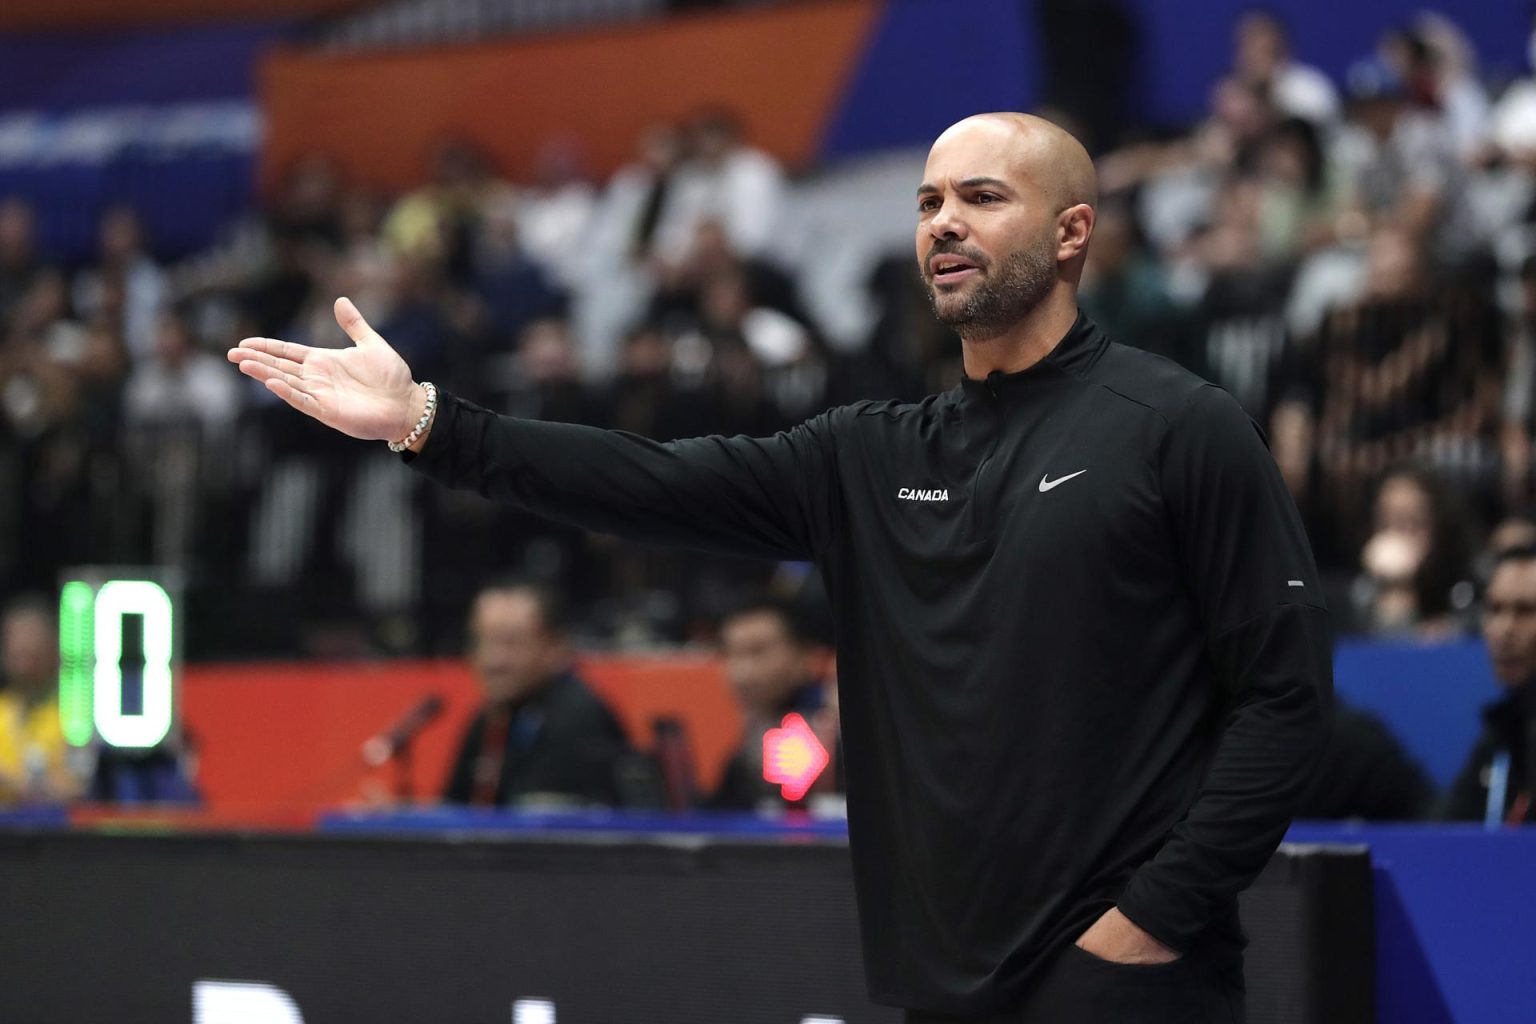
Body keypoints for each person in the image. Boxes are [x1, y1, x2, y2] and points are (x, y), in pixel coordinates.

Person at [230, 112, 1331, 1022]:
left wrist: (1152, 920)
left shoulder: (1178, 425)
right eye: (928, 202)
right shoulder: (871, 454)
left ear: (1073, 230)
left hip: (1125, 982)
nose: (945, 223)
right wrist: (428, 420)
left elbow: (1283, 699)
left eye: (983, 199)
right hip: (940, 983)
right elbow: (644, 479)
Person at [440, 580, 631, 808]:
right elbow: (453, 810)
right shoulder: (491, 718)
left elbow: (546, 826)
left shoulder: (578, 719)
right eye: (482, 641)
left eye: (512, 643)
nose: (494, 660)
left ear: (556, 646)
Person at [707, 595, 839, 811]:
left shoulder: (824, 732)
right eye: (731, 653)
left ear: (804, 655)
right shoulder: (752, 736)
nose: (742, 673)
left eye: (758, 652)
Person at [1440, 546, 1536, 825]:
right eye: (1495, 609)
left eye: (1526, 611)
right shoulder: (1502, 734)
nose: (1504, 629)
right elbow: (1443, 838)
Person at [0, 596, 82, 804]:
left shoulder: (76, 716)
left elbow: (78, 785)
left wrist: (18, 785)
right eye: (18, 649)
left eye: (33, 648)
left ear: (52, 650)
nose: (25, 658)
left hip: (59, 831)